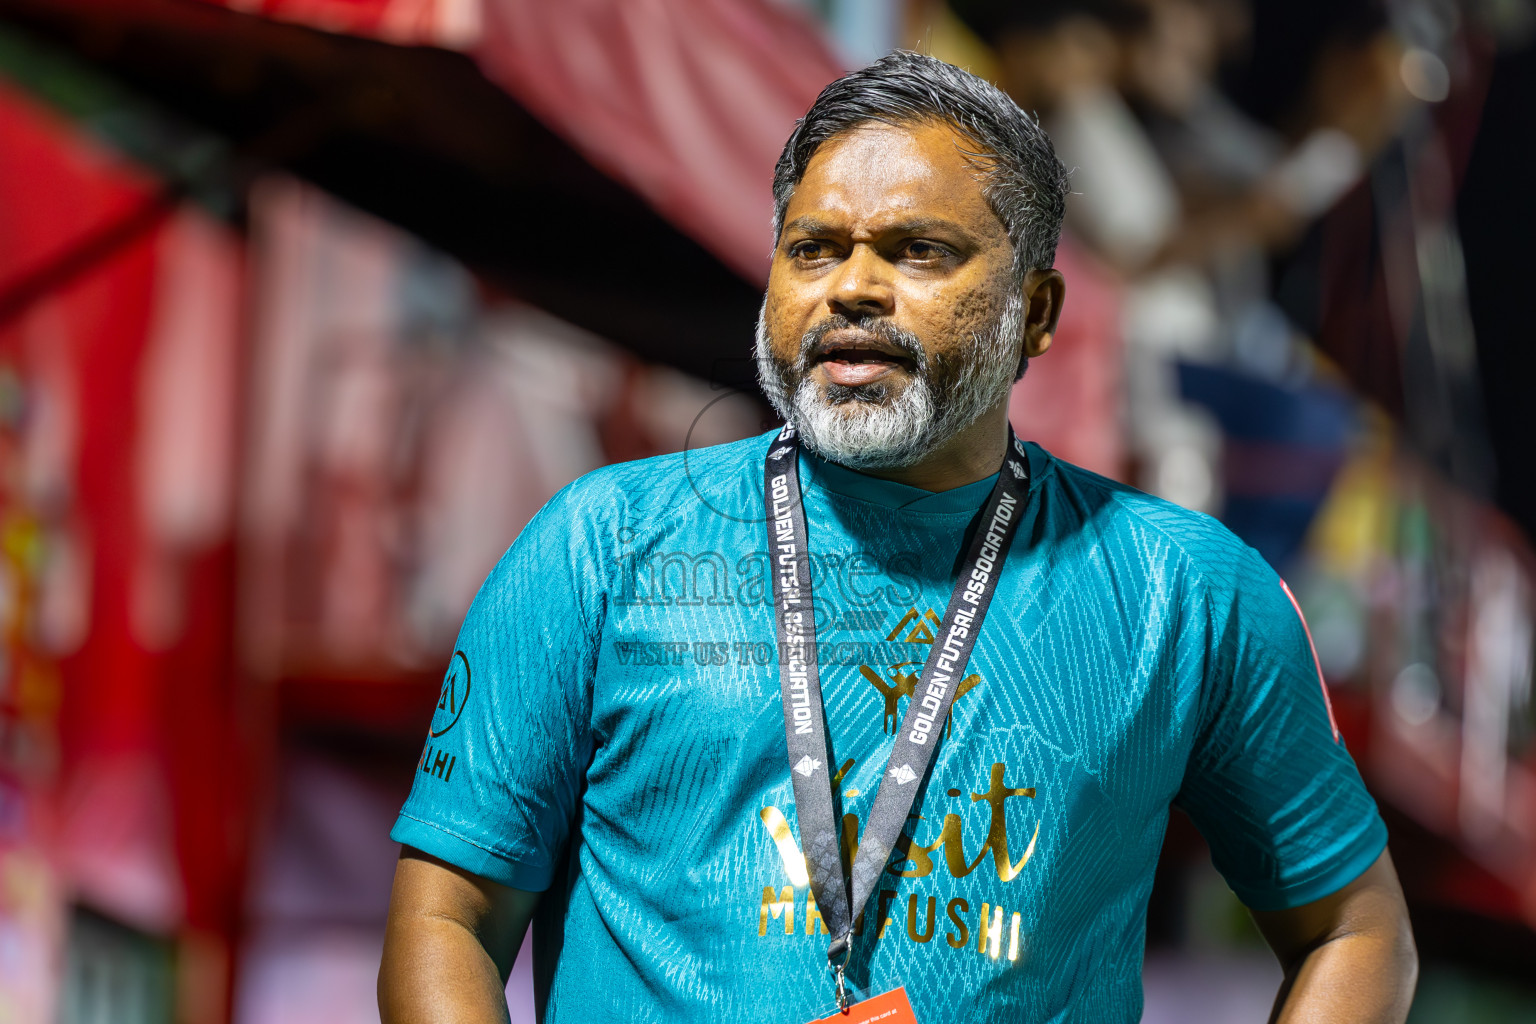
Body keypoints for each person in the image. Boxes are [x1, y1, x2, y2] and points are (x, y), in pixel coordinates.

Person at [377, 51, 1416, 1023]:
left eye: (919, 250)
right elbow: (445, 916)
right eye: (814, 249)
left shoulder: (1183, 593)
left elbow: (1357, 929)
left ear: (1036, 312)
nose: (854, 287)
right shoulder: (600, 547)